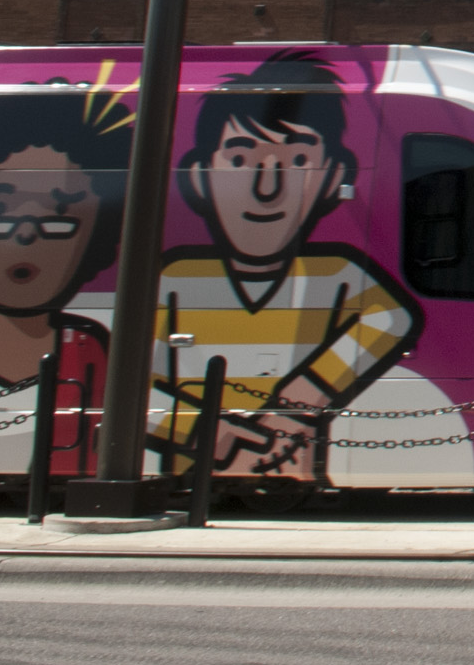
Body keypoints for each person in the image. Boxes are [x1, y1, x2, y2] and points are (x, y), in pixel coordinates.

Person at [159, 52, 421, 480]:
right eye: (241, 160)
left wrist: (297, 403)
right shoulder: (174, 281)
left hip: (291, 466)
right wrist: (209, 433)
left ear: (333, 177)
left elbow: (391, 318)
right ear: (200, 176)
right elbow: (132, 394)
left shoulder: (337, 276)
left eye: (298, 161)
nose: (268, 188)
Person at [0, 85, 129, 482]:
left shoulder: (94, 351)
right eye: (1, 211)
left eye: (58, 218)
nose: (26, 235)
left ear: (95, 237)